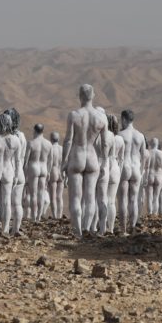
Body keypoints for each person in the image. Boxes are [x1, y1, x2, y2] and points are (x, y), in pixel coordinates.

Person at [62, 84, 108, 237]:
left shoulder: (74, 115)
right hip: (92, 157)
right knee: (90, 197)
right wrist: (104, 162)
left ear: (79, 96)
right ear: (93, 95)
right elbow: (105, 143)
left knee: (75, 197)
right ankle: (87, 228)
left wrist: (64, 161)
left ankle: (78, 231)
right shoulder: (102, 117)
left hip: (77, 156)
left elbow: (68, 140)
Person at [0, 114, 21, 235]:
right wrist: (16, 175)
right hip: (8, 170)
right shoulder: (16, 140)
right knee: (6, 202)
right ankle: (5, 229)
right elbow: (17, 160)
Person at [117, 110, 148, 233]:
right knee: (133, 200)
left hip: (124, 168)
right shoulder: (140, 136)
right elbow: (144, 155)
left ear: (124, 119)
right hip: (136, 168)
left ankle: (123, 229)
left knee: (123, 200)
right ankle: (132, 227)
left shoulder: (120, 135)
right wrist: (142, 171)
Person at [96, 114, 122, 235]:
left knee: (101, 200)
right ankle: (111, 229)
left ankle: (101, 228)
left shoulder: (102, 136)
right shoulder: (119, 139)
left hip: (104, 166)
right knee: (112, 201)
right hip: (115, 167)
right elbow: (120, 158)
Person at [24, 123, 52, 222]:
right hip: (44, 168)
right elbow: (50, 160)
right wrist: (48, 172)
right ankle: (39, 216)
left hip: (34, 167)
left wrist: (24, 173)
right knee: (41, 193)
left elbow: (26, 160)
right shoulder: (48, 144)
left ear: (34, 130)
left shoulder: (31, 143)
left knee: (33, 194)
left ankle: (33, 216)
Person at [144, 138, 162, 217]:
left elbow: (145, 167)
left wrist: (145, 177)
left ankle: (150, 213)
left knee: (149, 196)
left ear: (151, 144)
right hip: (159, 176)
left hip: (150, 175)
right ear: (157, 144)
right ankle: (155, 213)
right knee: (156, 196)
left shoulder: (148, 153)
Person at [47, 132, 64, 220]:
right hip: (61, 171)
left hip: (53, 171)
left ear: (51, 138)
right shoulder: (62, 149)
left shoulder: (50, 148)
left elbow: (49, 163)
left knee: (53, 196)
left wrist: (47, 174)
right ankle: (60, 215)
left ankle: (54, 216)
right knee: (59, 196)